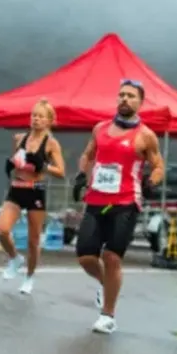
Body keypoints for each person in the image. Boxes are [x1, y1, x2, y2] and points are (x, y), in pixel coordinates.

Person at [73, 79, 164, 334]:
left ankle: (108, 315)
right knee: (85, 256)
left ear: (140, 102)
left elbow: (158, 166)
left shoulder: (145, 136)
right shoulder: (100, 128)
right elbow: (88, 155)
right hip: (96, 199)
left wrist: (151, 182)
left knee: (111, 257)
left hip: (125, 202)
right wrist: (82, 176)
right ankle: (106, 284)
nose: (125, 99)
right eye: (121, 94)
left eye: (131, 96)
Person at [0, 99, 66, 294]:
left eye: (40, 116)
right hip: (17, 188)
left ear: (49, 120)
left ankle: (29, 276)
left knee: (33, 239)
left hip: (36, 190)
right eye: (33, 115)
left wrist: (43, 165)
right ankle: (14, 258)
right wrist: (11, 164)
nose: (35, 119)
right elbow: (18, 160)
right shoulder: (20, 138)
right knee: (2, 230)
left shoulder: (51, 143)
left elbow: (61, 171)